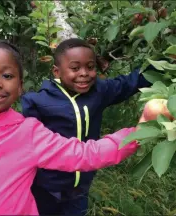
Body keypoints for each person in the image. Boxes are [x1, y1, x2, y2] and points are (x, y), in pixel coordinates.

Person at [0, 39, 145, 215]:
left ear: (20, 86)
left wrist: (140, 130)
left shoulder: (29, 133)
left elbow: (84, 154)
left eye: (8, 76)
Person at [21, 38, 158, 215]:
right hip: (45, 188)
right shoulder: (37, 102)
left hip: (80, 187)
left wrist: (172, 59)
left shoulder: (99, 92)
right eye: (75, 68)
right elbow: (26, 147)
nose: (84, 73)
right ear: (57, 71)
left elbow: (130, 83)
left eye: (90, 67)